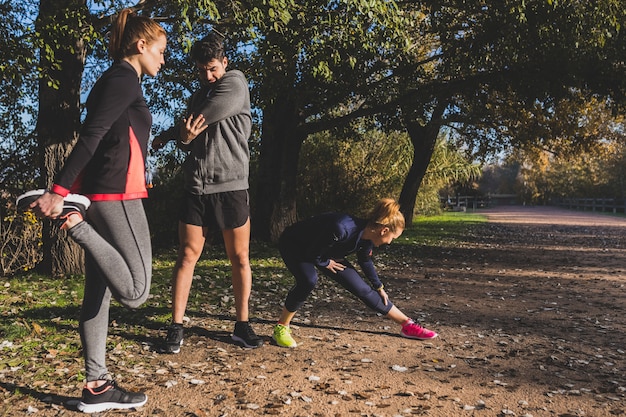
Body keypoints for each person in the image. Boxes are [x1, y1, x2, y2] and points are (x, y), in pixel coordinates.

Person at [16, 8, 166, 413]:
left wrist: (73, 191)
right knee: (135, 292)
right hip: (118, 196)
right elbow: (92, 136)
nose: (163, 59)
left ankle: (96, 386)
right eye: (160, 50)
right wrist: (60, 194)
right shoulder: (122, 78)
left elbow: (102, 140)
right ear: (141, 45)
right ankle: (72, 224)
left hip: (100, 194)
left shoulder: (112, 81)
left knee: (97, 294)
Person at [152, 32, 262, 352]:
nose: (207, 75)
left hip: (231, 186)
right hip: (197, 187)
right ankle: (176, 326)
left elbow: (198, 122)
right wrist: (174, 136)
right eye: (201, 70)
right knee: (187, 255)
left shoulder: (235, 83)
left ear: (225, 63)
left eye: (212, 68)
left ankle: (242, 325)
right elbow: (189, 129)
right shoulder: (199, 93)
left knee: (239, 257)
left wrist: (177, 135)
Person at [272, 198, 438, 348]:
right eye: (393, 238)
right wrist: (325, 262)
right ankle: (282, 327)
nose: (390, 243)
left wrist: (378, 286)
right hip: (295, 245)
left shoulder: (367, 237)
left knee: (362, 289)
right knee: (308, 280)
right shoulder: (341, 228)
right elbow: (312, 253)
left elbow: (364, 260)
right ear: (384, 230)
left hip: (324, 250)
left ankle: (407, 324)